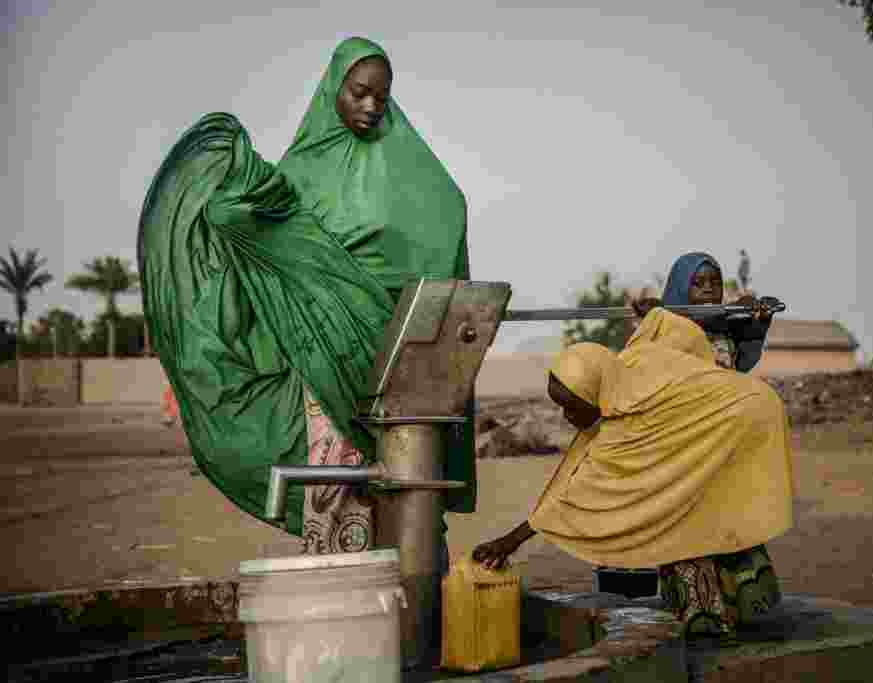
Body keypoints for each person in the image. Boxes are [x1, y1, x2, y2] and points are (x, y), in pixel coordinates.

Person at [138, 38, 474, 556]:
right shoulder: (297, 173)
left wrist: (369, 290)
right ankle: (350, 618)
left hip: (402, 360)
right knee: (339, 486)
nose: (370, 107)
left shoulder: (413, 170)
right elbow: (271, 241)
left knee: (411, 486)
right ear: (332, 90)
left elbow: (445, 221)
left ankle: (417, 614)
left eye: (382, 98)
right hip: (325, 361)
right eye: (359, 93)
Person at [473, 309, 795, 641]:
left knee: (677, 522)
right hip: (754, 408)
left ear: (595, 390)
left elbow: (572, 500)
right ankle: (747, 605)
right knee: (714, 515)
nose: (567, 416)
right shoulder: (633, 360)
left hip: (745, 425)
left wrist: (509, 542)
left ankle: (704, 622)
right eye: (561, 407)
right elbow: (670, 328)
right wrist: (655, 310)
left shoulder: (624, 429)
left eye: (572, 405)